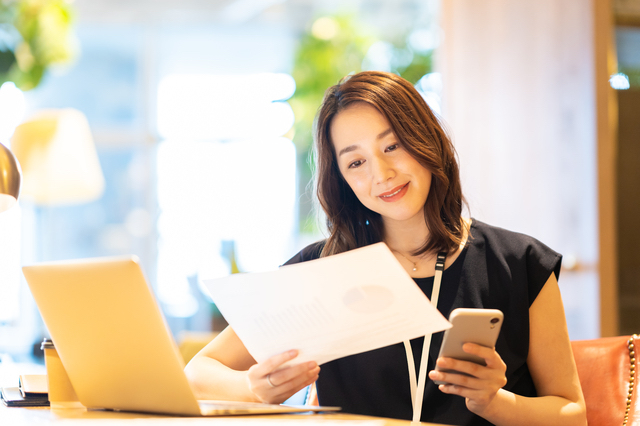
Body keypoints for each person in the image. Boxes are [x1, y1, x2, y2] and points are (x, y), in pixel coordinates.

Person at [184, 71, 587, 426]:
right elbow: (197, 373)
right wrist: (255, 388)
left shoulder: (519, 263)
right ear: (343, 181)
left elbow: (573, 414)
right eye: (356, 163)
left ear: (425, 138)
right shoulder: (320, 269)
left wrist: (493, 402)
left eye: (392, 146)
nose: (382, 173)